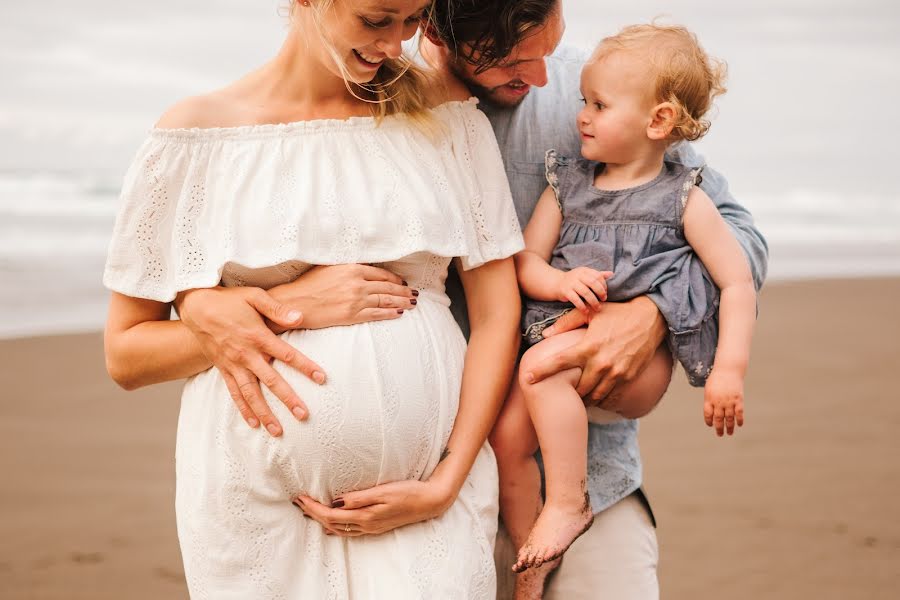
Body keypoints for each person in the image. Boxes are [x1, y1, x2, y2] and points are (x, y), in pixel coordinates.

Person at [103, 0, 525, 597]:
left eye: (411, 22)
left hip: (430, 491)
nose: (394, 46)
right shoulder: (194, 138)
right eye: (376, 20)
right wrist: (291, 305)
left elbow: (497, 314)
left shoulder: (446, 117)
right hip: (252, 500)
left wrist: (448, 479)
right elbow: (126, 355)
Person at [419, 1, 768, 598]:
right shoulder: (384, 103)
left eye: (547, 49)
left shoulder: (614, 86)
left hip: (593, 469)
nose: (544, 79)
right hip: (432, 478)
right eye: (515, 59)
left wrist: (653, 313)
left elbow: (743, 243)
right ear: (436, 30)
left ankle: (565, 507)